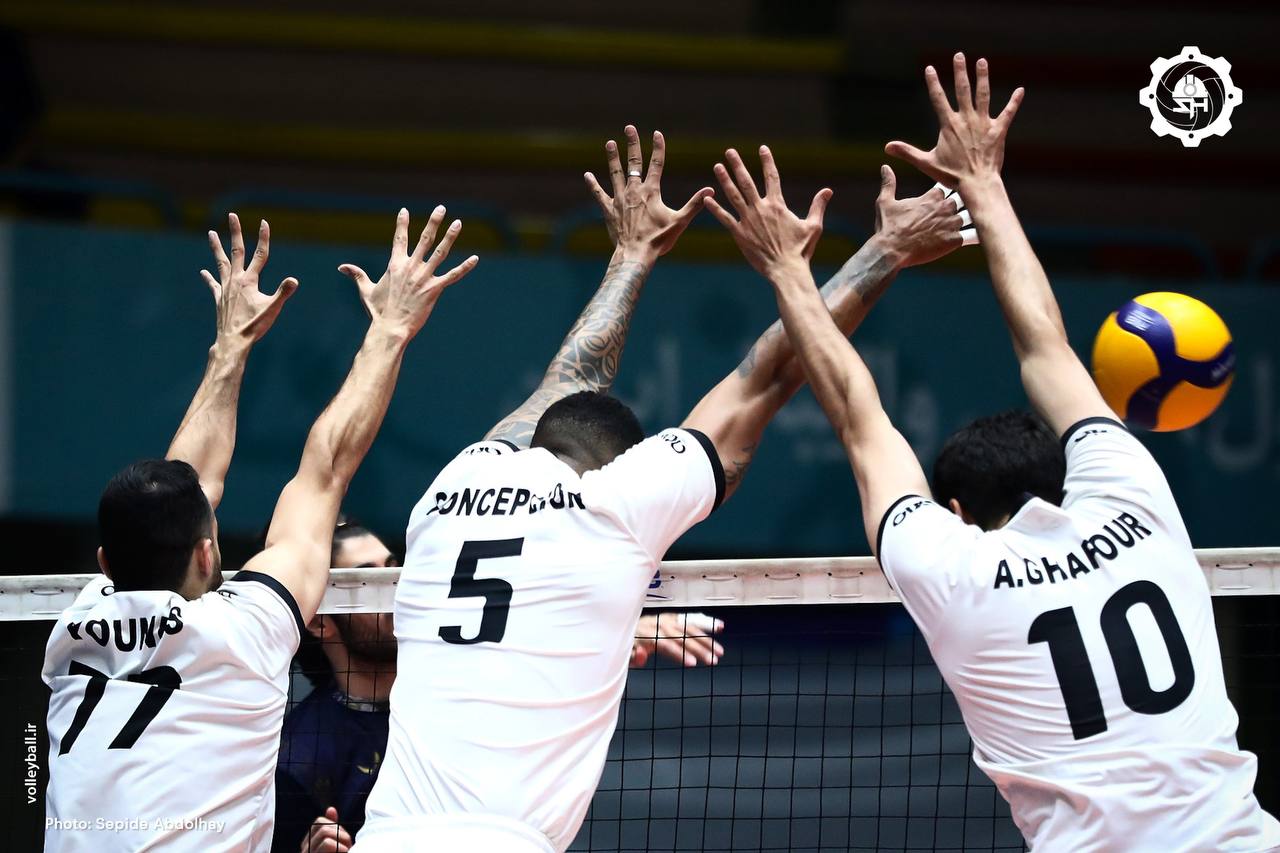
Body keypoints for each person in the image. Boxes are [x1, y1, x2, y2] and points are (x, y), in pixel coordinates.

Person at [354, 125, 969, 852]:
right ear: (615, 464)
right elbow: (766, 378)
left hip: (387, 835)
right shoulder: (612, 504)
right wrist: (885, 250)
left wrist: (632, 252)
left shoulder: (452, 487)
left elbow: (568, 380)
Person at [720, 54, 1280, 851]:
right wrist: (984, 182)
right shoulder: (1136, 499)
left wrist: (787, 271)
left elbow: (858, 416)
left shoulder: (955, 571)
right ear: (1064, 473)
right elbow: (1046, 346)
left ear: (957, 511)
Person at [42, 208, 478, 852]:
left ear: (105, 564)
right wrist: (390, 328)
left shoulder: (72, 628)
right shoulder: (242, 631)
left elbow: (185, 487)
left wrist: (229, 350)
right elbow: (323, 473)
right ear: (206, 553)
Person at [277, 520, 727, 853]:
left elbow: (535, 642)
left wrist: (626, 631)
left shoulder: (456, 667)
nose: (391, 591)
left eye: (393, 571)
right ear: (320, 622)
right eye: (366, 581)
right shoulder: (297, 756)